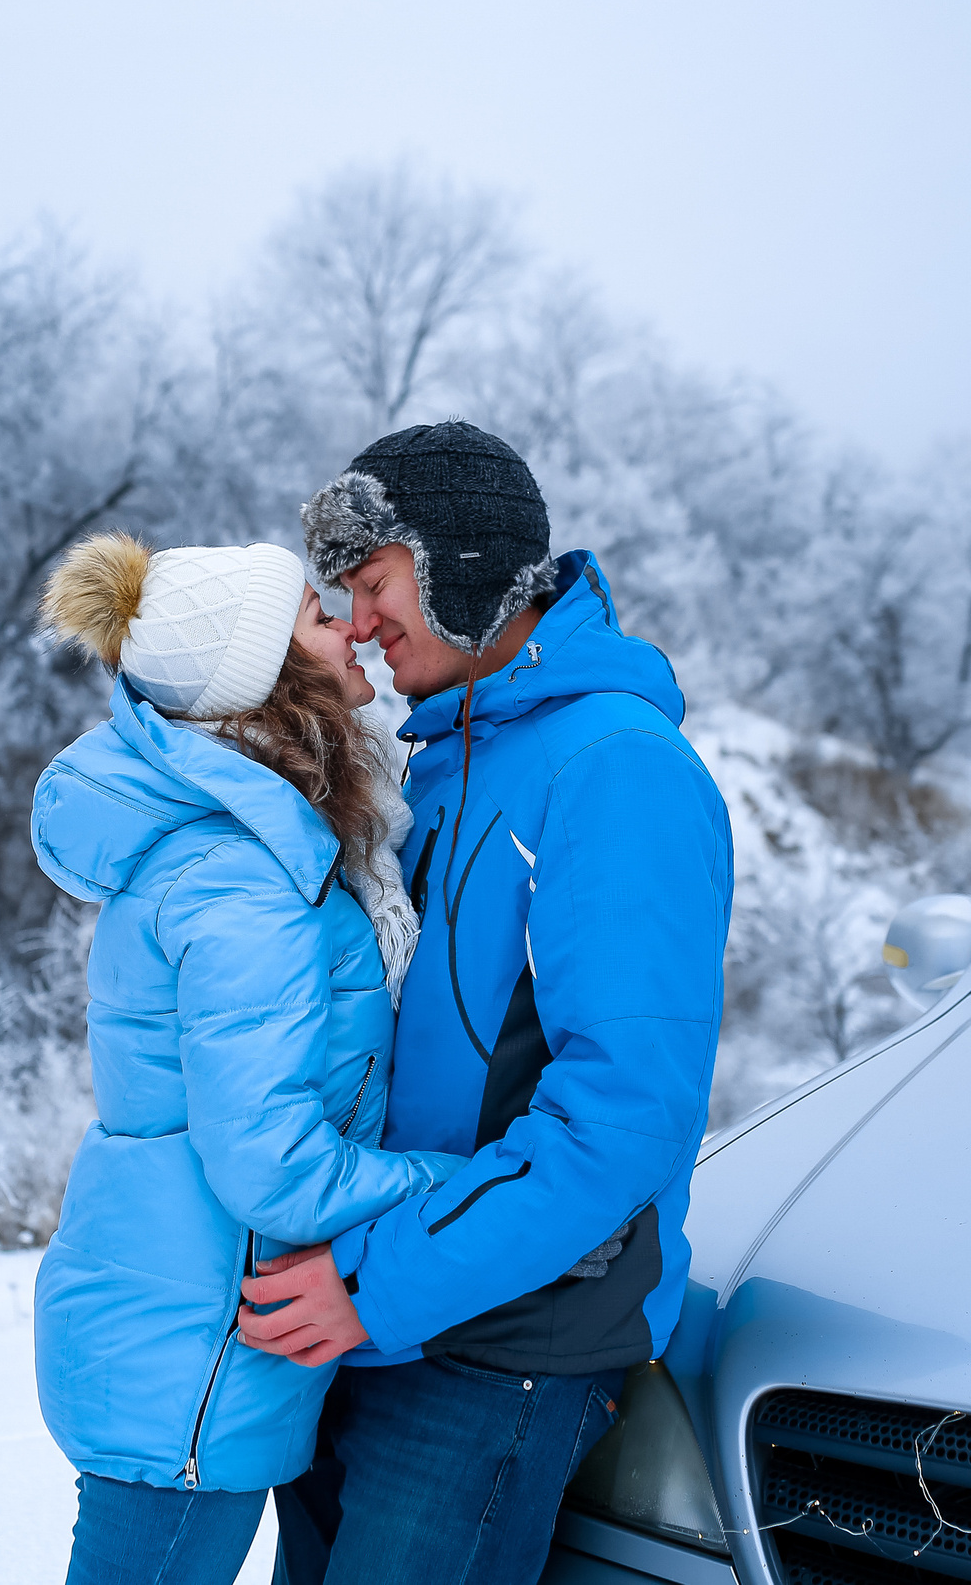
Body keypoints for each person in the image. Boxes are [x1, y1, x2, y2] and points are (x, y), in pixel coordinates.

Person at [240, 422, 736, 1585]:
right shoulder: (457, 750)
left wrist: (374, 1282)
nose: (357, 623)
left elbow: (620, 1121)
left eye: (372, 583)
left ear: (457, 563)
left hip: (501, 1340)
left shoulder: (614, 768)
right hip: (383, 1311)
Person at [27, 533, 462, 1585]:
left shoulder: (255, 852)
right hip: (193, 1365)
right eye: (320, 617)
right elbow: (273, 1164)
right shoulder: (243, 884)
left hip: (184, 1336)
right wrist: (451, 1184)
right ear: (265, 676)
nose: (351, 624)